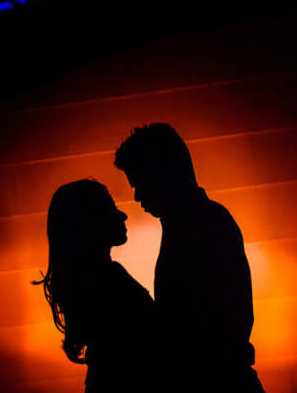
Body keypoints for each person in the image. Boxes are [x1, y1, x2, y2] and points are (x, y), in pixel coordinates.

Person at [114, 123, 264, 392]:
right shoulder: (198, 223)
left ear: (163, 175)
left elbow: (202, 325)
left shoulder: (201, 226)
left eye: (140, 184)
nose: (136, 196)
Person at [36, 179, 163, 392]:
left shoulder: (89, 282)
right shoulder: (109, 282)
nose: (123, 215)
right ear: (90, 223)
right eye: (111, 210)